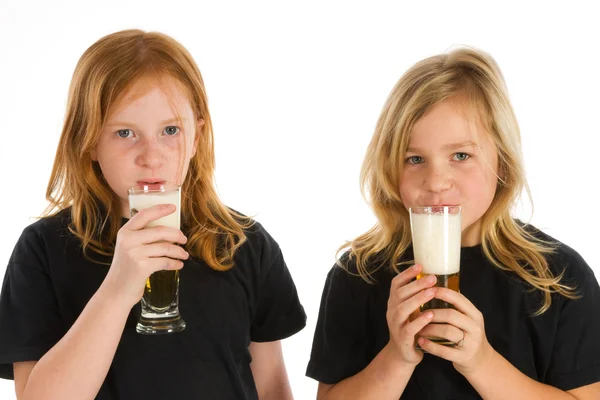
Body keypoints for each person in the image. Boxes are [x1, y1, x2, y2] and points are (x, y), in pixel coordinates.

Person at [0, 29, 306, 400]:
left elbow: (271, 385)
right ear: (89, 141)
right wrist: (117, 290)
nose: (151, 155)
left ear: (197, 137)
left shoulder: (245, 244)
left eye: (171, 130)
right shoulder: (42, 250)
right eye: (125, 132)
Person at [305, 47, 600, 399]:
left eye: (461, 155)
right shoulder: (358, 274)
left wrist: (481, 361)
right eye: (414, 159)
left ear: (502, 162)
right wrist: (397, 357)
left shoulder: (557, 276)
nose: (436, 181)